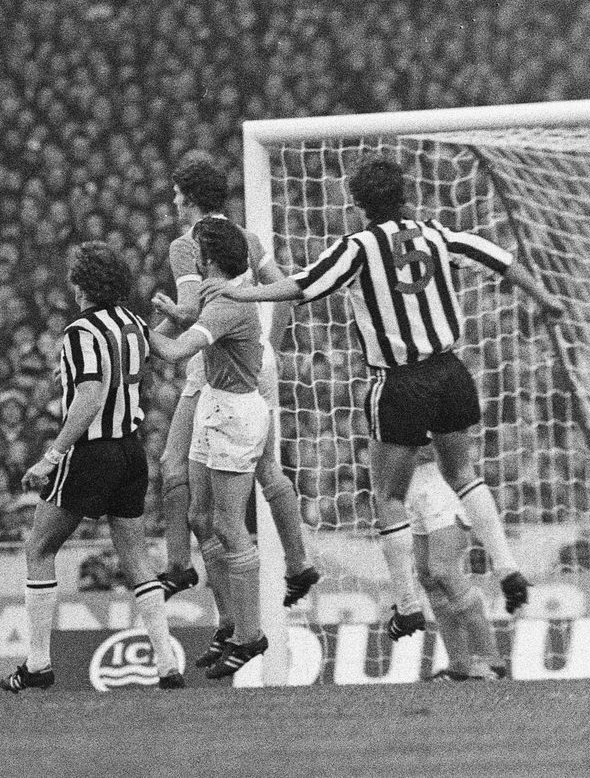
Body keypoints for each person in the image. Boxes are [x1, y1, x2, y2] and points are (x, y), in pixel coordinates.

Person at [208, 154, 563, 639]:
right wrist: (547, 300)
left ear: (358, 204)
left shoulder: (359, 247)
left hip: (398, 381)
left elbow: (304, 286)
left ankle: (407, 605)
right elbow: (500, 260)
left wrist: (239, 294)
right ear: (405, 194)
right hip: (450, 371)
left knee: (388, 496)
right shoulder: (436, 234)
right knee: (462, 473)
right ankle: (506, 566)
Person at [154, 154, 318, 669]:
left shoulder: (189, 246)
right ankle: (298, 564)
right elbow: (285, 289)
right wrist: (272, 341)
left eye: (177, 193)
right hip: (258, 357)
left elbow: (191, 314)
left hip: (216, 366)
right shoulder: (246, 237)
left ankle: (188, 574)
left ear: (189, 196)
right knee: (268, 472)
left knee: (178, 474)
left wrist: (151, 319)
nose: (173, 202)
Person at [0, 242, 183, 693]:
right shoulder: (131, 323)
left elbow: (90, 397)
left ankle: (39, 663)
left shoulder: (81, 331)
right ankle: (166, 664)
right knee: (137, 558)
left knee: (39, 547)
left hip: (91, 452)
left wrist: (51, 456)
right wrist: (182, 316)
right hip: (131, 452)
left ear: (82, 284)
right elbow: (172, 350)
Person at [149, 217, 271, 679]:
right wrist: (176, 313)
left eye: (197, 249)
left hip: (235, 414)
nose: (191, 254)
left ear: (209, 256)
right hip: (213, 406)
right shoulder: (213, 293)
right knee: (200, 517)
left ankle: (251, 634)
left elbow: (178, 352)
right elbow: (190, 316)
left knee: (228, 525)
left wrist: (135, 334)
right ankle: (231, 623)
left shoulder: (229, 303)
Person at [406, 454, 507, 681]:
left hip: (441, 479)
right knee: (429, 577)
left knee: (444, 570)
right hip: (409, 483)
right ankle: (459, 664)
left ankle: (491, 660)